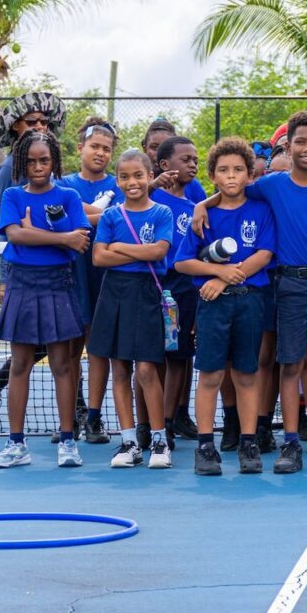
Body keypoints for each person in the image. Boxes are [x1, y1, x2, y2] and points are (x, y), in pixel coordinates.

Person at [192, 110, 307, 474]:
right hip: (291, 285)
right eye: (300, 141)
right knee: (291, 364)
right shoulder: (271, 184)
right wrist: (201, 203)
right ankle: (291, 443)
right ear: (288, 144)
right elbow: (233, 190)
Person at [0, 131, 89, 469]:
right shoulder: (13, 196)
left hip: (59, 283)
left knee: (62, 364)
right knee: (19, 364)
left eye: (44, 160)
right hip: (22, 283)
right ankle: (16, 445)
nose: (37, 166)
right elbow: (15, 234)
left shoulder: (70, 196)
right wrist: (58, 237)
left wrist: (37, 235)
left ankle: (68, 442)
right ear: (21, 163)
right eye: (30, 161)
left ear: (54, 161)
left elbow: (79, 241)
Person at [174, 138, 275, 475]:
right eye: (223, 171)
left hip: (250, 303)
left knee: (247, 374)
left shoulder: (261, 209)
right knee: (211, 375)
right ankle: (205, 446)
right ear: (213, 177)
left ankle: (249, 443)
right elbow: (183, 263)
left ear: (249, 174)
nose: (231, 176)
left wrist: (230, 278)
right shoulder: (203, 216)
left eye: (238, 170)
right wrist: (216, 273)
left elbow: (264, 254)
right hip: (212, 306)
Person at [0, 93, 67, 432]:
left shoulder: (51, 164)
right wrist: (5, 278)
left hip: (56, 268)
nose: (39, 126)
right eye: (32, 121)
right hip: (24, 271)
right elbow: (10, 228)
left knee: (61, 337)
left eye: (43, 121)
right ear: (15, 125)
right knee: (40, 341)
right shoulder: (9, 169)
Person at [90, 150, 174, 469]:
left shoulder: (162, 212)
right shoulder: (111, 216)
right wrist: (140, 254)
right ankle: (128, 442)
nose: (132, 182)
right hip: (114, 294)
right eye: (124, 177)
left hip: (146, 294)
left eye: (138, 175)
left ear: (150, 175)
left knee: (148, 370)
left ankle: (159, 441)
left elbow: (158, 251)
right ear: (118, 180)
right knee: (119, 369)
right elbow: (99, 258)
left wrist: (121, 248)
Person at [59, 118, 122, 445]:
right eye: (95, 146)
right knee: (70, 352)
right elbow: (66, 218)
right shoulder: (64, 185)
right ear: (81, 147)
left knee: (100, 351)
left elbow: (122, 217)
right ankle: (68, 419)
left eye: (106, 149)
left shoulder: (120, 183)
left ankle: (95, 419)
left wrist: (82, 215)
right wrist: (100, 215)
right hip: (71, 276)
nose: (100, 152)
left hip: (107, 277)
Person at [151, 136, 200, 450]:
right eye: (186, 159)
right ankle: (149, 424)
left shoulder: (197, 209)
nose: (193, 164)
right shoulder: (149, 199)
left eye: (195, 159)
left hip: (186, 292)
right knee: (151, 360)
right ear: (165, 165)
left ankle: (168, 423)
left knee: (180, 359)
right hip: (153, 288)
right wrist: (152, 185)